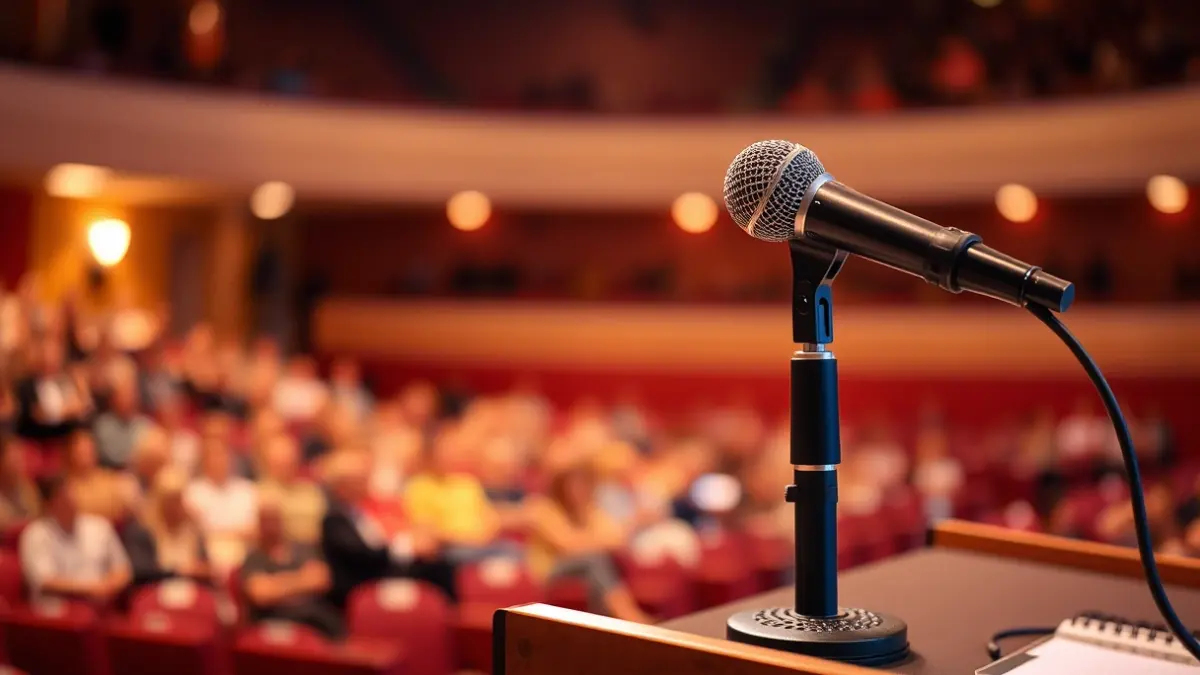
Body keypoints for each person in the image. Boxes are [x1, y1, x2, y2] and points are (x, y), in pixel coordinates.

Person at [320, 451, 455, 607]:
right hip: (362, 584)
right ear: (342, 487)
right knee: (435, 570)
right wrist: (408, 546)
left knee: (439, 564)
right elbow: (363, 555)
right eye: (359, 480)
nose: (366, 483)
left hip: (385, 570)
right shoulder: (334, 519)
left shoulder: (361, 512)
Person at [527, 462, 648, 622]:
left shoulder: (589, 509)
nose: (580, 490)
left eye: (585, 484)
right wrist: (595, 540)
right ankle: (630, 617)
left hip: (582, 569)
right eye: (574, 484)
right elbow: (568, 546)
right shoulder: (544, 508)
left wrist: (589, 537)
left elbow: (617, 539)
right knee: (595, 560)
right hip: (548, 572)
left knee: (602, 564)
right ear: (561, 486)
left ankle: (609, 625)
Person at [241, 496, 344, 639]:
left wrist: (276, 584)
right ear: (258, 524)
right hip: (275, 622)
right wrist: (302, 580)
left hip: (317, 619)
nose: (270, 526)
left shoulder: (304, 548)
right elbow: (261, 594)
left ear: (283, 521)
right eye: (265, 521)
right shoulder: (253, 558)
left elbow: (321, 580)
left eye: (274, 519)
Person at [19, 474, 131, 604]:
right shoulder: (35, 534)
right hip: (57, 612)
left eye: (72, 492)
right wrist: (92, 589)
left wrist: (109, 587)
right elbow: (45, 582)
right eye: (63, 495)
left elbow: (123, 569)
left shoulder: (100, 526)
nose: (71, 498)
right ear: (48, 503)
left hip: (100, 609)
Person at [403, 428, 502, 562]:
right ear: (431, 454)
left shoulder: (468, 483)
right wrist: (467, 538)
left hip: (483, 546)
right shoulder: (420, 486)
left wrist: (485, 535)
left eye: (452, 449)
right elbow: (426, 531)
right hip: (450, 550)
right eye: (444, 450)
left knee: (512, 552)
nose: (450, 454)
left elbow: (490, 519)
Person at [123, 468, 211, 586]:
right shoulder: (142, 530)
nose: (177, 507)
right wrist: (179, 571)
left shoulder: (193, 528)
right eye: (172, 501)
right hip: (156, 591)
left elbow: (205, 565)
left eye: (179, 500)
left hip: (191, 590)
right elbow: (140, 571)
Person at [185, 435, 257, 573]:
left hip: (245, 559)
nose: (219, 461)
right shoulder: (192, 492)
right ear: (204, 460)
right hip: (208, 560)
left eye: (222, 455)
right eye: (213, 456)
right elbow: (200, 534)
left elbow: (253, 531)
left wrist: (217, 532)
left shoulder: (247, 490)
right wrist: (234, 533)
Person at [257, 433, 326, 545]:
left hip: (315, 549)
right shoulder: (259, 492)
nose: (287, 463)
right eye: (280, 460)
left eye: (290, 458)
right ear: (268, 462)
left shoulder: (311, 490)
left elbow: (320, 527)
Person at [15, 338, 90, 441]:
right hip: (36, 440)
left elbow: (80, 410)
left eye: (53, 357)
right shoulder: (26, 386)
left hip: (66, 439)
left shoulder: (66, 381)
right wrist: (66, 412)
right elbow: (37, 415)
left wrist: (55, 413)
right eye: (45, 356)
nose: (48, 361)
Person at [65, 430, 128, 522]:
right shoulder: (65, 486)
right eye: (81, 451)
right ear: (71, 453)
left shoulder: (110, 478)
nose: (86, 453)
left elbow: (120, 511)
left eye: (89, 449)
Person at [92, 376, 152, 470]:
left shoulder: (144, 424)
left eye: (131, 395)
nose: (128, 400)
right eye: (123, 396)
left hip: (142, 471)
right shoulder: (103, 425)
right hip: (113, 473)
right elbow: (110, 456)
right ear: (113, 400)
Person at [0, 435, 39, 528]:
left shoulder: (27, 486)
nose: (19, 463)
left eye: (20, 457)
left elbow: (37, 518)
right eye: (13, 457)